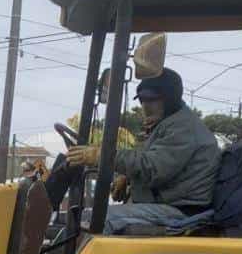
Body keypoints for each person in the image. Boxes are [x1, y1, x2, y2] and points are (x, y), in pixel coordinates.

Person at [52, 65, 220, 234]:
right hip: (166, 203)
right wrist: (127, 178)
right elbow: (154, 160)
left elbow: (153, 169)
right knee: (82, 216)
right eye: (142, 100)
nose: (145, 106)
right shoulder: (168, 124)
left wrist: (100, 155)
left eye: (152, 99)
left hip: (180, 211)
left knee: (98, 220)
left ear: (170, 99)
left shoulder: (183, 127)